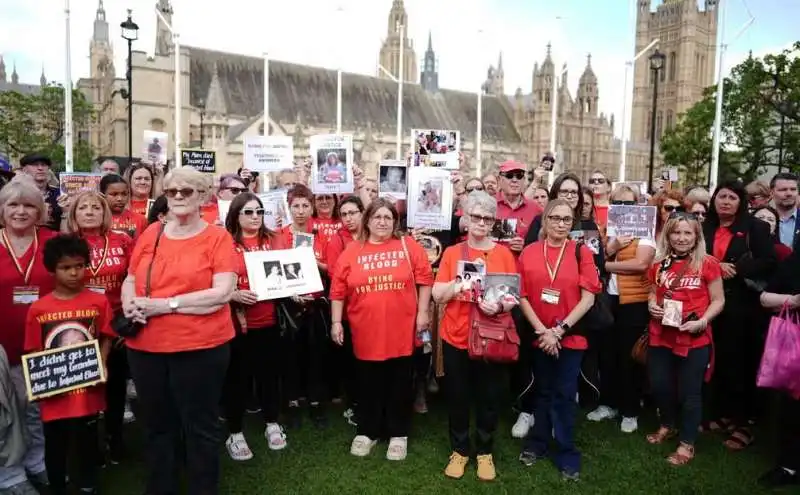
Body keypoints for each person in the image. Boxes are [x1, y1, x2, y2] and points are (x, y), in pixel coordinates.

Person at [120, 166, 237, 495]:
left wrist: (164, 305)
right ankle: (161, 487)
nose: (179, 197)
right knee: (158, 425)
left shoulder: (217, 237)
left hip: (200, 348)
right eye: (172, 192)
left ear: (203, 196)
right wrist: (130, 301)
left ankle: (203, 488)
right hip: (146, 348)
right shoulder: (151, 233)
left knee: (200, 426)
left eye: (188, 191)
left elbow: (221, 293)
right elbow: (131, 277)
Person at [330, 198, 433, 461]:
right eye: (377, 217)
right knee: (368, 381)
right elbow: (338, 290)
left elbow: (425, 279)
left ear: (395, 222)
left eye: (388, 217)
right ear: (368, 220)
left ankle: (399, 433)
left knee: (399, 381)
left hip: (402, 330)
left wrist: (422, 313)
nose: (383, 222)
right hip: (365, 331)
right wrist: (336, 322)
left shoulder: (407, 246)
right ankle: (368, 431)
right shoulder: (353, 251)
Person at [432, 191, 517, 481]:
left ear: (494, 221)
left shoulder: (504, 254)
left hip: (490, 336)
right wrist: (459, 285)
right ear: (466, 218)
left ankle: (484, 452)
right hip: (456, 336)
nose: (481, 222)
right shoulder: (453, 253)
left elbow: (513, 298)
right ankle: (459, 450)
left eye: (487, 217)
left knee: (489, 397)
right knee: (457, 397)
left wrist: (499, 305)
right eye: (476, 216)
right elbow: (436, 294)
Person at [517, 199, 601, 481]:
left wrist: (559, 330)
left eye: (567, 220)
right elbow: (522, 295)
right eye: (555, 218)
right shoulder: (529, 252)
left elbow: (589, 298)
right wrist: (543, 331)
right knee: (542, 390)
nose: (561, 224)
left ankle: (566, 453)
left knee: (564, 395)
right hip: (540, 336)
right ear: (545, 219)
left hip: (570, 337)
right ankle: (538, 444)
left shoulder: (581, 252)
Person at [24, 234, 113, 495]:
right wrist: (39, 382)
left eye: (79, 265)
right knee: (55, 444)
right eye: (65, 267)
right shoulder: (39, 309)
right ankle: (57, 486)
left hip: (89, 391)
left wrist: (103, 363)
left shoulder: (98, 302)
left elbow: (106, 335)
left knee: (87, 441)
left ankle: (88, 485)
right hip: (55, 396)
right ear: (52, 269)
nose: (74, 273)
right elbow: (34, 349)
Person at [646, 210, 724, 465]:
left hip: (693, 337)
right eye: (676, 232)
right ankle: (668, 423)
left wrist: (702, 321)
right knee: (660, 385)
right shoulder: (659, 263)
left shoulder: (707, 263)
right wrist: (651, 305)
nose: (681, 238)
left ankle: (687, 443)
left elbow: (719, 300)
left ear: (696, 235)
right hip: (661, 334)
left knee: (689, 393)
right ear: (668, 235)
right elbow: (652, 291)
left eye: (687, 232)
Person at [702, 180, 776, 450]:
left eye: (732, 198)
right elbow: (694, 255)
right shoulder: (705, 227)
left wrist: (736, 269)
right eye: (721, 196)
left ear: (741, 202)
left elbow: (769, 261)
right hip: (710, 305)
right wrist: (715, 266)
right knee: (717, 361)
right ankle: (723, 415)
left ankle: (744, 424)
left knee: (740, 364)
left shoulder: (755, 227)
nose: (725, 202)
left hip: (742, 308)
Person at [63, 190, 135, 463]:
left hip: (117, 325)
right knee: (85, 390)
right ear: (74, 213)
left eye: (96, 207)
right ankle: (88, 446)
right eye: (83, 207)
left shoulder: (123, 241)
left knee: (115, 386)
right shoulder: (65, 243)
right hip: (79, 326)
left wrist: (125, 325)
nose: (90, 211)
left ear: (105, 213)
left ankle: (115, 438)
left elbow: (136, 280)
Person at [223, 192, 289, 460]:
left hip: (269, 319)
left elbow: (288, 272)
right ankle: (235, 432)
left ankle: (272, 422)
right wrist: (234, 294)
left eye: (259, 212)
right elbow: (211, 279)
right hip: (234, 323)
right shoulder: (224, 242)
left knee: (269, 375)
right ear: (236, 215)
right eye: (248, 212)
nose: (255, 217)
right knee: (236, 379)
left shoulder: (275, 240)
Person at [0, 177, 55, 494]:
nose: (21, 211)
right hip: (2, 346)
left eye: (29, 205)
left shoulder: (54, 241)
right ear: (3, 209)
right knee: (6, 412)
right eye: (13, 204)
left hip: (43, 343)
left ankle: (37, 460)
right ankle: (10, 473)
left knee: (37, 407)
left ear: (40, 211)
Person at [587, 184, 655, 433]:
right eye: (619, 204)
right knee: (606, 354)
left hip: (634, 301)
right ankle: (607, 404)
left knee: (630, 356)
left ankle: (630, 410)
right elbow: (589, 260)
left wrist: (606, 264)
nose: (624, 208)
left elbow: (641, 264)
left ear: (638, 205)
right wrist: (611, 249)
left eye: (629, 203)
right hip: (607, 300)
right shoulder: (604, 232)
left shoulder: (645, 231)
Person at [278, 184, 329, 426]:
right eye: (295, 206)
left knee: (316, 356)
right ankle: (292, 402)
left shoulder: (321, 236)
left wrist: (313, 261)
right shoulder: (279, 236)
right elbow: (272, 270)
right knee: (290, 356)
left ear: (312, 208)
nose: (300, 211)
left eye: (305, 206)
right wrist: (290, 294)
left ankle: (316, 402)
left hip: (315, 304)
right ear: (289, 208)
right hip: (289, 305)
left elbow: (333, 269)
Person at [757, 252, 800, 488]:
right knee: (791, 409)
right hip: (795, 349)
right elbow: (765, 298)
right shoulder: (795, 261)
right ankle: (788, 467)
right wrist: (794, 301)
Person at [495, 161, 542, 255]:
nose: (514, 180)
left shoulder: (535, 209)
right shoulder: (487, 204)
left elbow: (544, 242)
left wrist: (526, 246)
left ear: (524, 180)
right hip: (494, 266)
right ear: (499, 179)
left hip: (523, 266)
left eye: (519, 176)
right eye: (509, 175)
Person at [18, 153, 61, 230]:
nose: (40, 168)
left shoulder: (60, 194)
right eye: (35, 165)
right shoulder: (15, 194)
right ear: (24, 169)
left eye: (44, 165)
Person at [100, 174, 147, 241]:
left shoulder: (141, 220)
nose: (120, 199)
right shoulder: (96, 219)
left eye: (124, 194)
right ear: (102, 195)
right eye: (114, 194)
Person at [771, 172, 800, 249]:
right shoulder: (763, 220)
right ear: (772, 193)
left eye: (793, 189)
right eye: (783, 190)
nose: (789, 193)